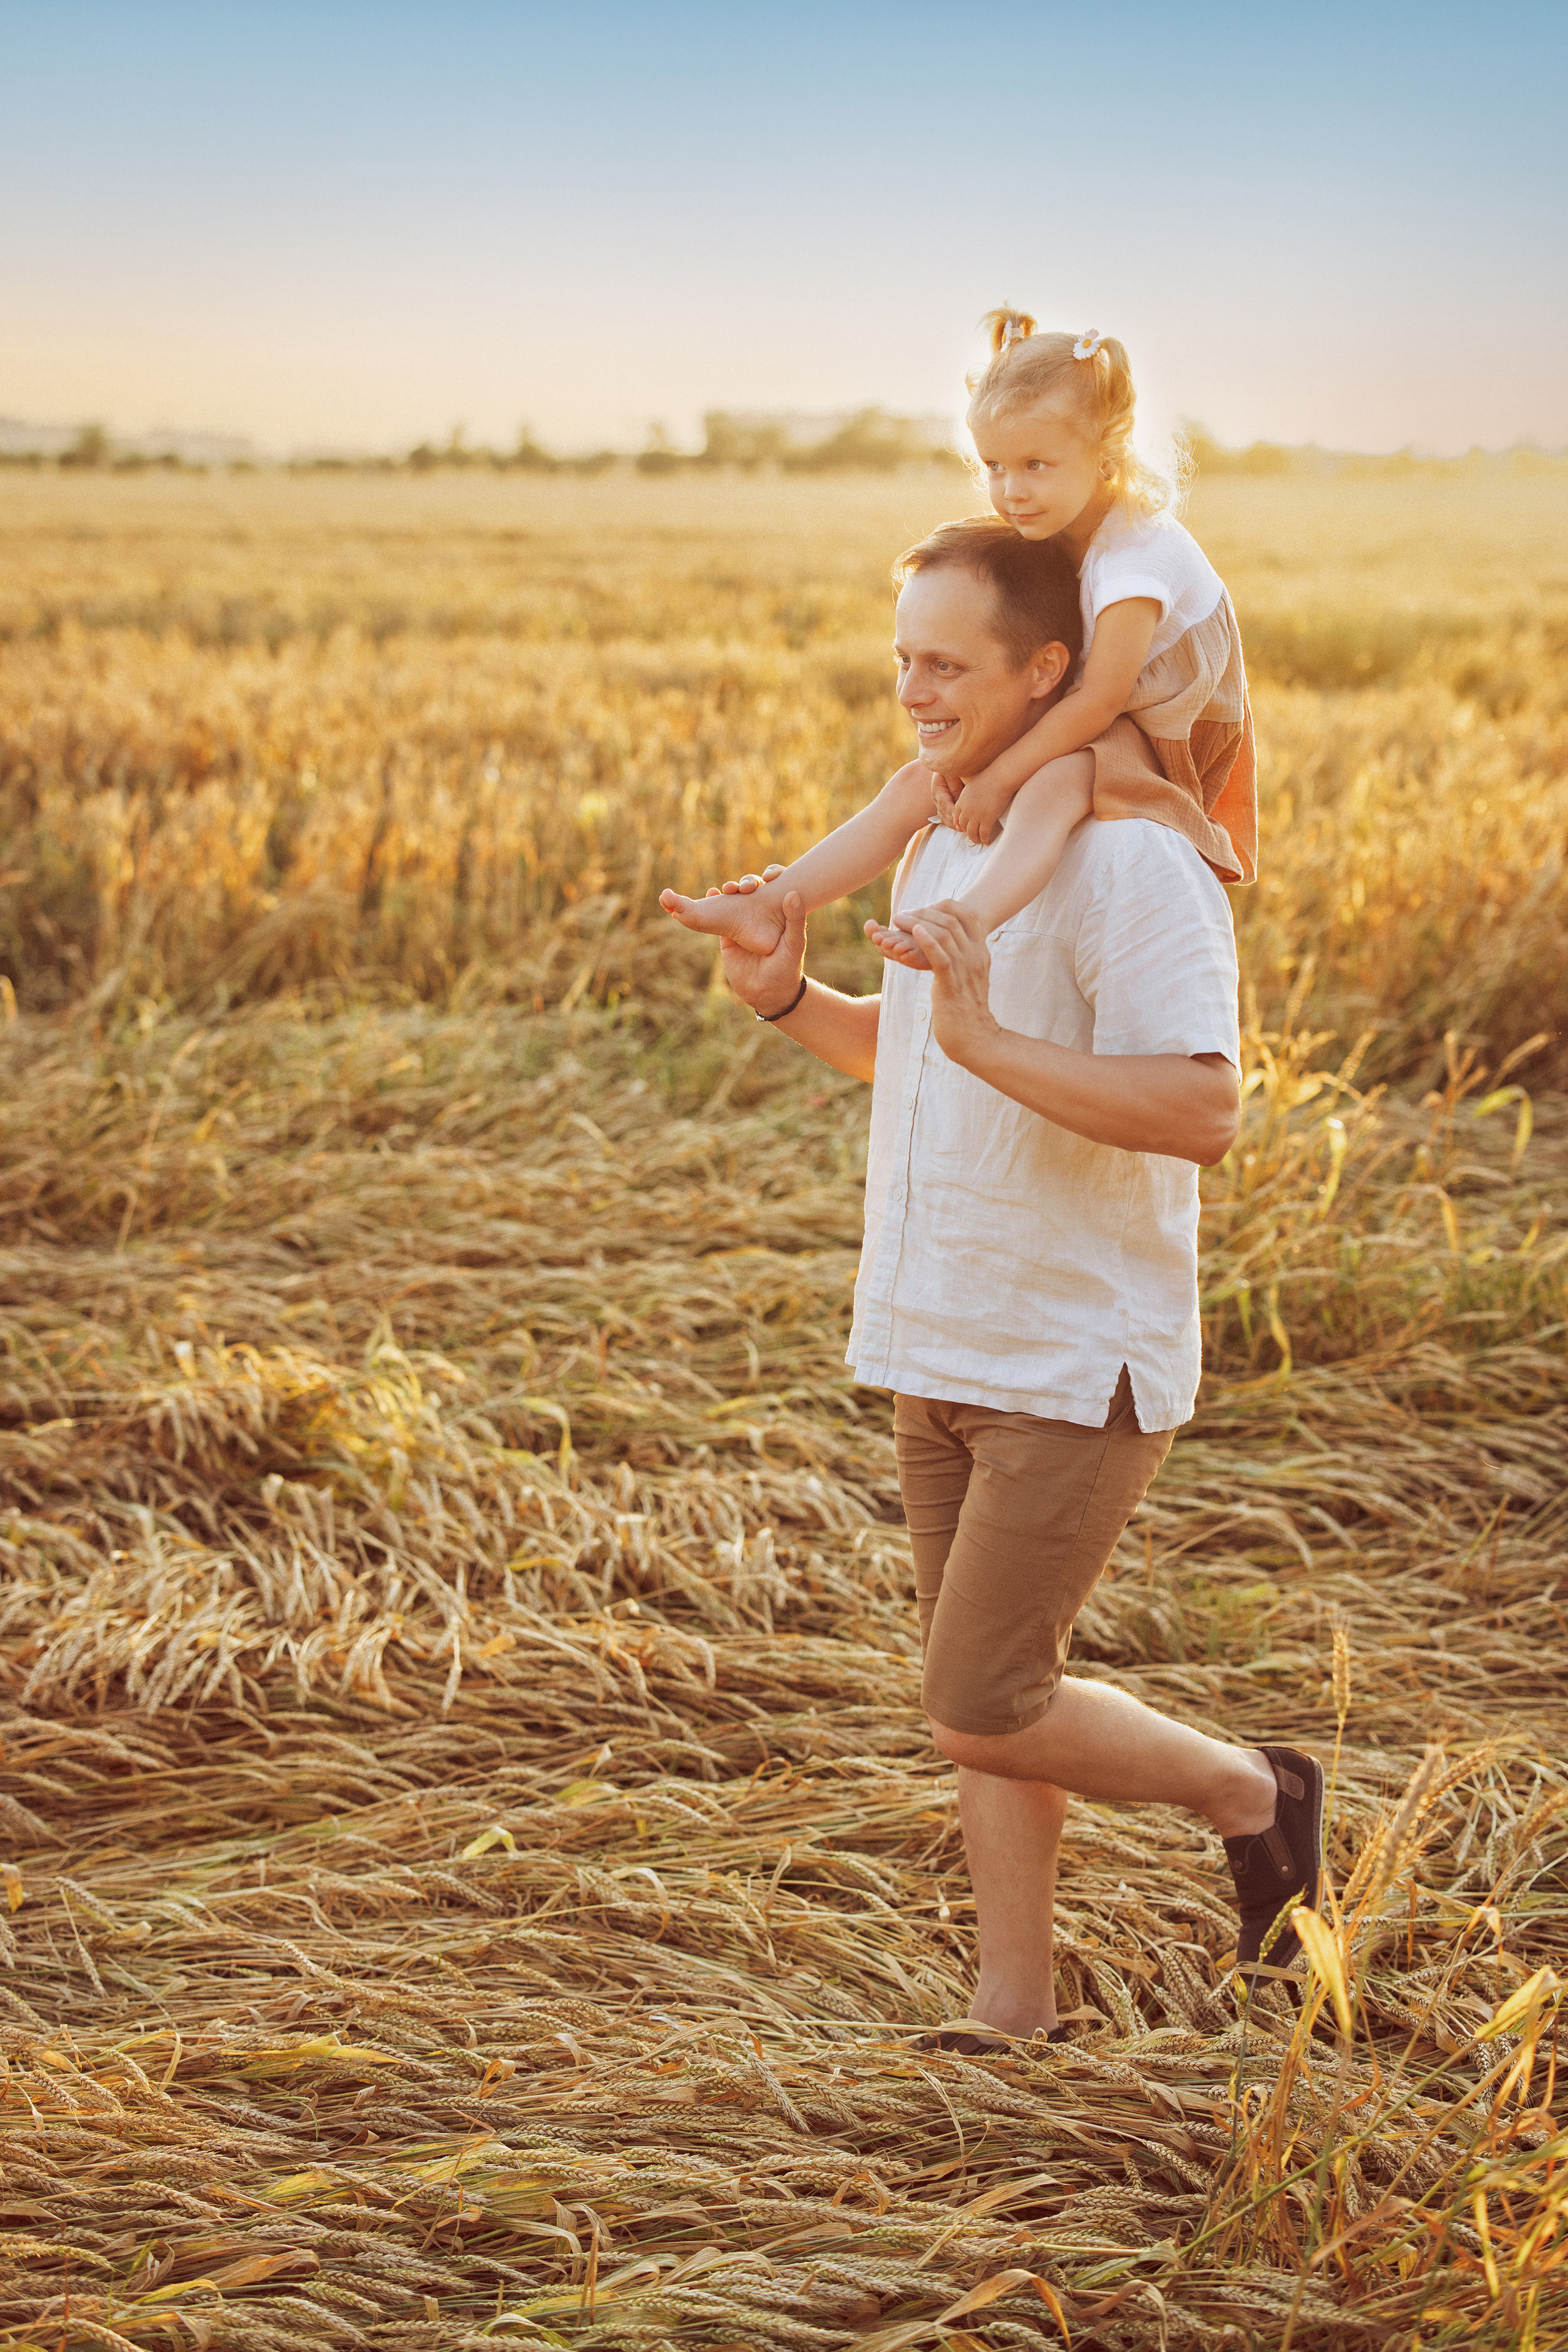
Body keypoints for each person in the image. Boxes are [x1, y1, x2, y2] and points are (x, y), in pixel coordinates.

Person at [699, 520, 1319, 2047]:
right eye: (899, 657)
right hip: (937, 1331)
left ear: (1051, 669)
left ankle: (1255, 1789)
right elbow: (913, 1049)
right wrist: (781, 990)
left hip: (1070, 1352)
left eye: (945, 663)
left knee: (977, 1698)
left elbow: (1200, 1109)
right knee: (992, 1692)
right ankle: (1011, 2005)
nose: (911, 690)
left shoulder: (1132, 861)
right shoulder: (948, 837)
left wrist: (981, 1040)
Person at [658, 307, 1256, 975]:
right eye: (994, 466)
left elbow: (1100, 699)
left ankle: (966, 920)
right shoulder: (1068, 516)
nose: (1010, 491)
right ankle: (772, 902)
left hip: (1166, 726)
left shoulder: (1135, 557)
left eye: (1035, 465)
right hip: (1102, 702)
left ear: (1107, 458)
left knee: (1058, 781)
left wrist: (1000, 779)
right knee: (923, 780)